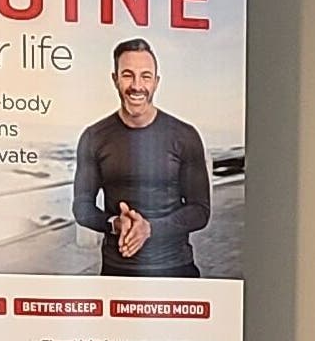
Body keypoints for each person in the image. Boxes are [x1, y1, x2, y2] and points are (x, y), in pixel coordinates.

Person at [69, 37, 211, 276]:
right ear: (115, 80)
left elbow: (200, 210)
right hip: (117, 270)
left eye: (145, 76)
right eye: (127, 75)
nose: (137, 85)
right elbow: (82, 207)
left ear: (156, 82)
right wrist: (114, 224)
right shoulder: (94, 137)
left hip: (175, 269)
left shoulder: (184, 135)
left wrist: (150, 229)